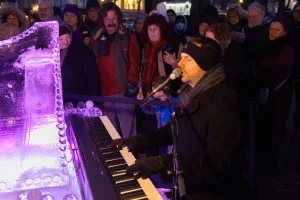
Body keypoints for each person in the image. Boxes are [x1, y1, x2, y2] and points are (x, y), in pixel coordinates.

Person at [110, 37, 242, 199]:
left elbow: (218, 165)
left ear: (205, 65)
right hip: (188, 185)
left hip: (209, 191)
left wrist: (163, 162)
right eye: (182, 58)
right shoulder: (190, 94)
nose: (180, 64)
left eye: (188, 59)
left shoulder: (223, 100)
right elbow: (176, 129)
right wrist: (140, 140)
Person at [93, 2, 138, 138]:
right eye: (107, 18)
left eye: (113, 18)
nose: (111, 22)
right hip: (105, 92)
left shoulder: (129, 36)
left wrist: (132, 84)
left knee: (128, 133)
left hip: (124, 91)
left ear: (118, 18)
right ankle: (116, 158)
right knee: (110, 133)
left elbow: (135, 62)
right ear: (103, 20)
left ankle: (133, 158)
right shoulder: (97, 37)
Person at [59, 23, 100, 99]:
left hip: (78, 97)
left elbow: (91, 75)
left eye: (68, 37)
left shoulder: (81, 50)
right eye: (61, 39)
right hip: (58, 98)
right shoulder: (49, 53)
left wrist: (93, 99)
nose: (65, 41)